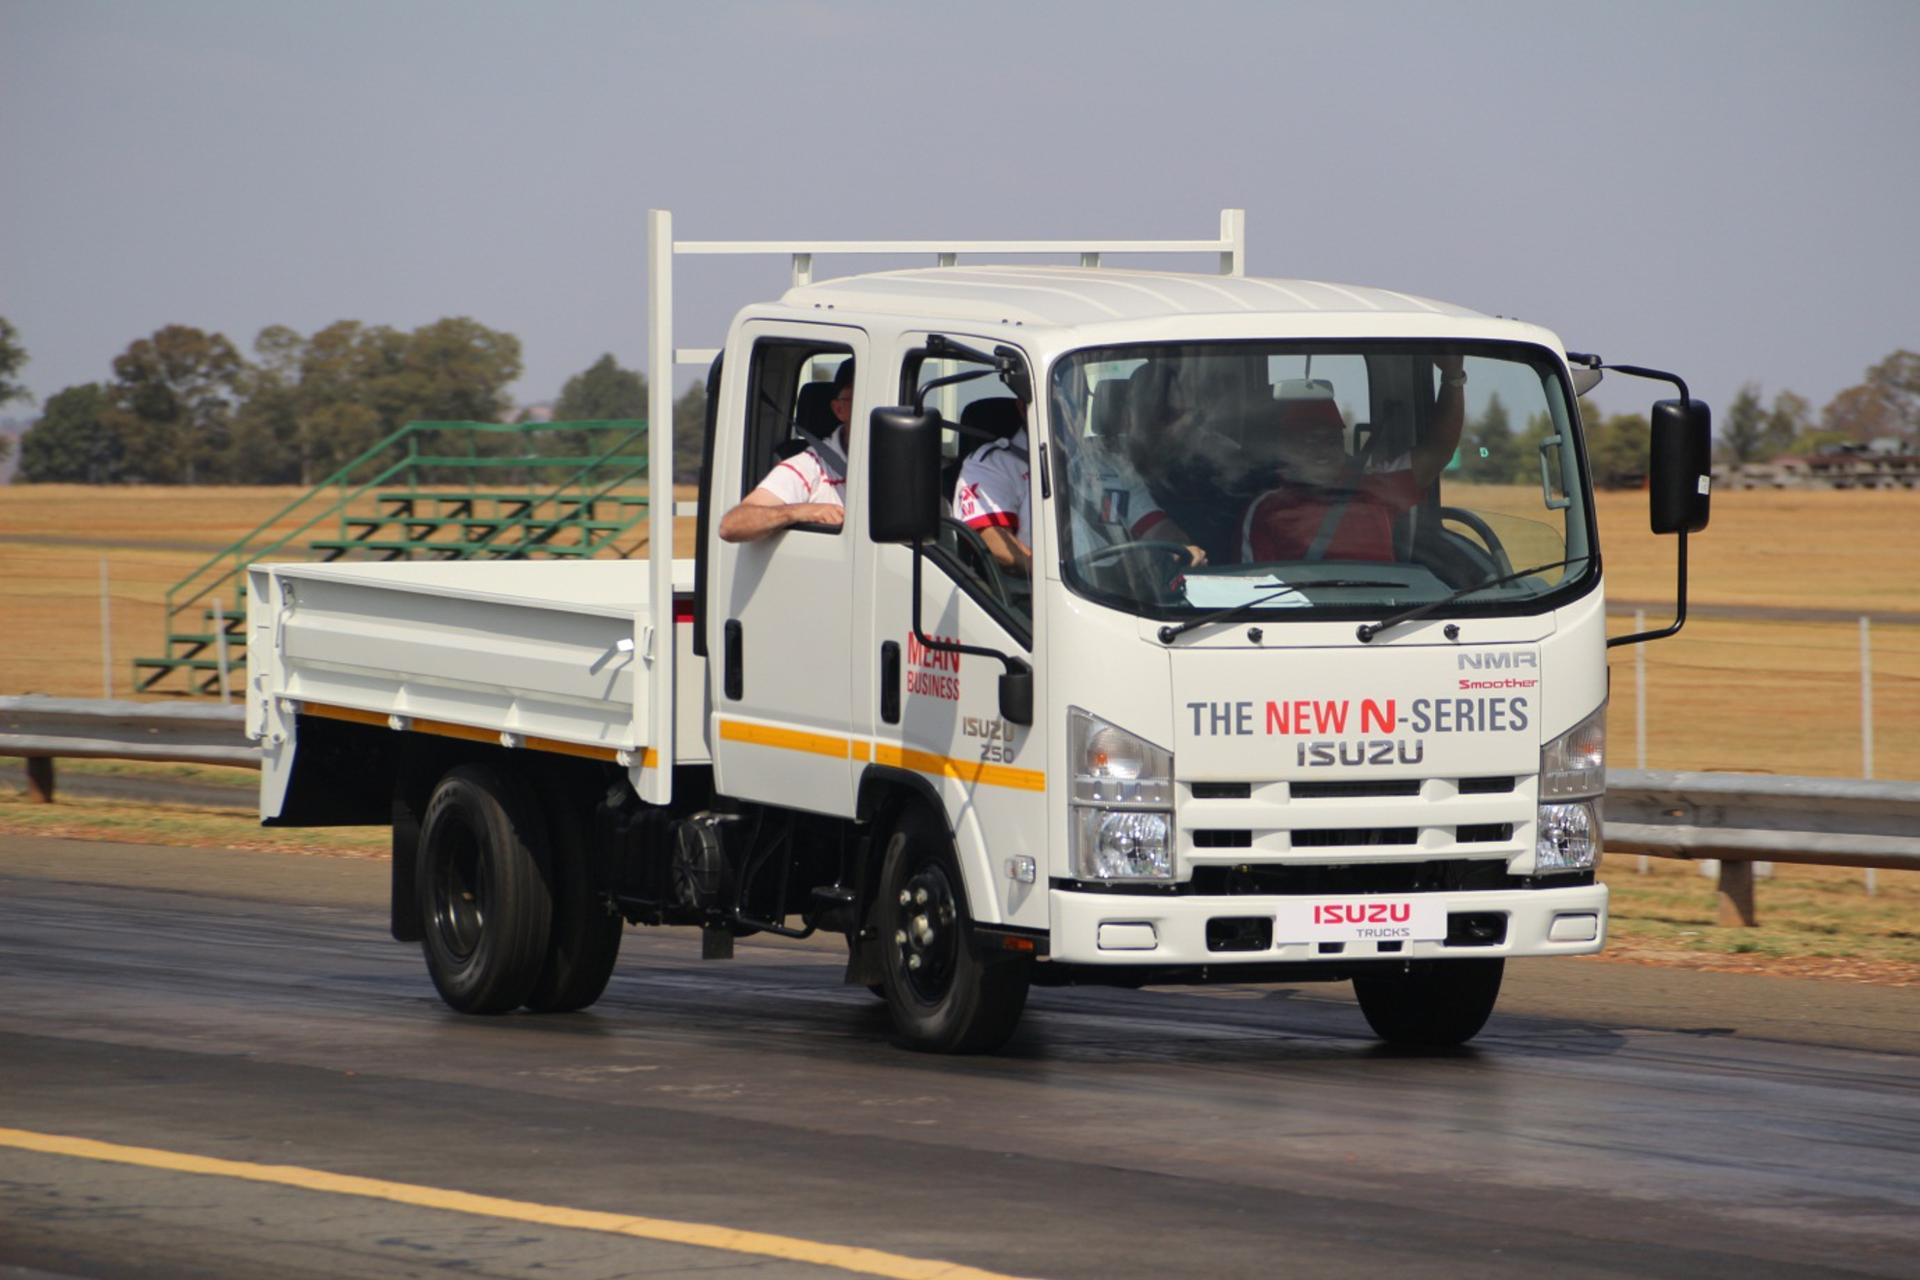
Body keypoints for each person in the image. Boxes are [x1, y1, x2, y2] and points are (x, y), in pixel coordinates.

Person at [1239, 356, 1467, 563]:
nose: (1321, 449)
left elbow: (1438, 451)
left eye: (1331, 438)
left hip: (1384, 596)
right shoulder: (1267, 509)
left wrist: (1453, 379)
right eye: (1308, 440)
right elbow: (1257, 583)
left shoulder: (1375, 485)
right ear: (1287, 448)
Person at [953, 390, 1206, 576]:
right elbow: (995, 543)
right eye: (1058, 404)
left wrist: (1182, 548)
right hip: (1035, 597)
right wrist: (1050, 576)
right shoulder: (993, 465)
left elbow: (1154, 526)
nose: (1070, 413)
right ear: (1023, 407)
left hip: (1123, 591)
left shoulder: (1109, 464)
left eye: (1077, 402)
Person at [718, 358, 852, 543]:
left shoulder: (893, 463)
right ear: (839, 409)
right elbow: (732, 525)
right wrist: (801, 511)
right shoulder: (811, 466)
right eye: (858, 400)